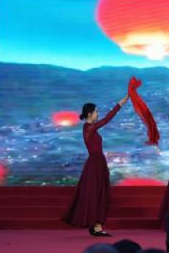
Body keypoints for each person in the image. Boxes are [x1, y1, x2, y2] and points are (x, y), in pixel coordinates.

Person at [63, 95, 129, 236]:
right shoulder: (89, 128)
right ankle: (96, 226)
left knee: (99, 193)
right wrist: (120, 104)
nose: (98, 114)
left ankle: (96, 226)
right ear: (89, 114)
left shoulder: (91, 128)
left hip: (98, 162)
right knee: (96, 193)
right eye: (96, 111)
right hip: (95, 164)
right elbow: (107, 119)